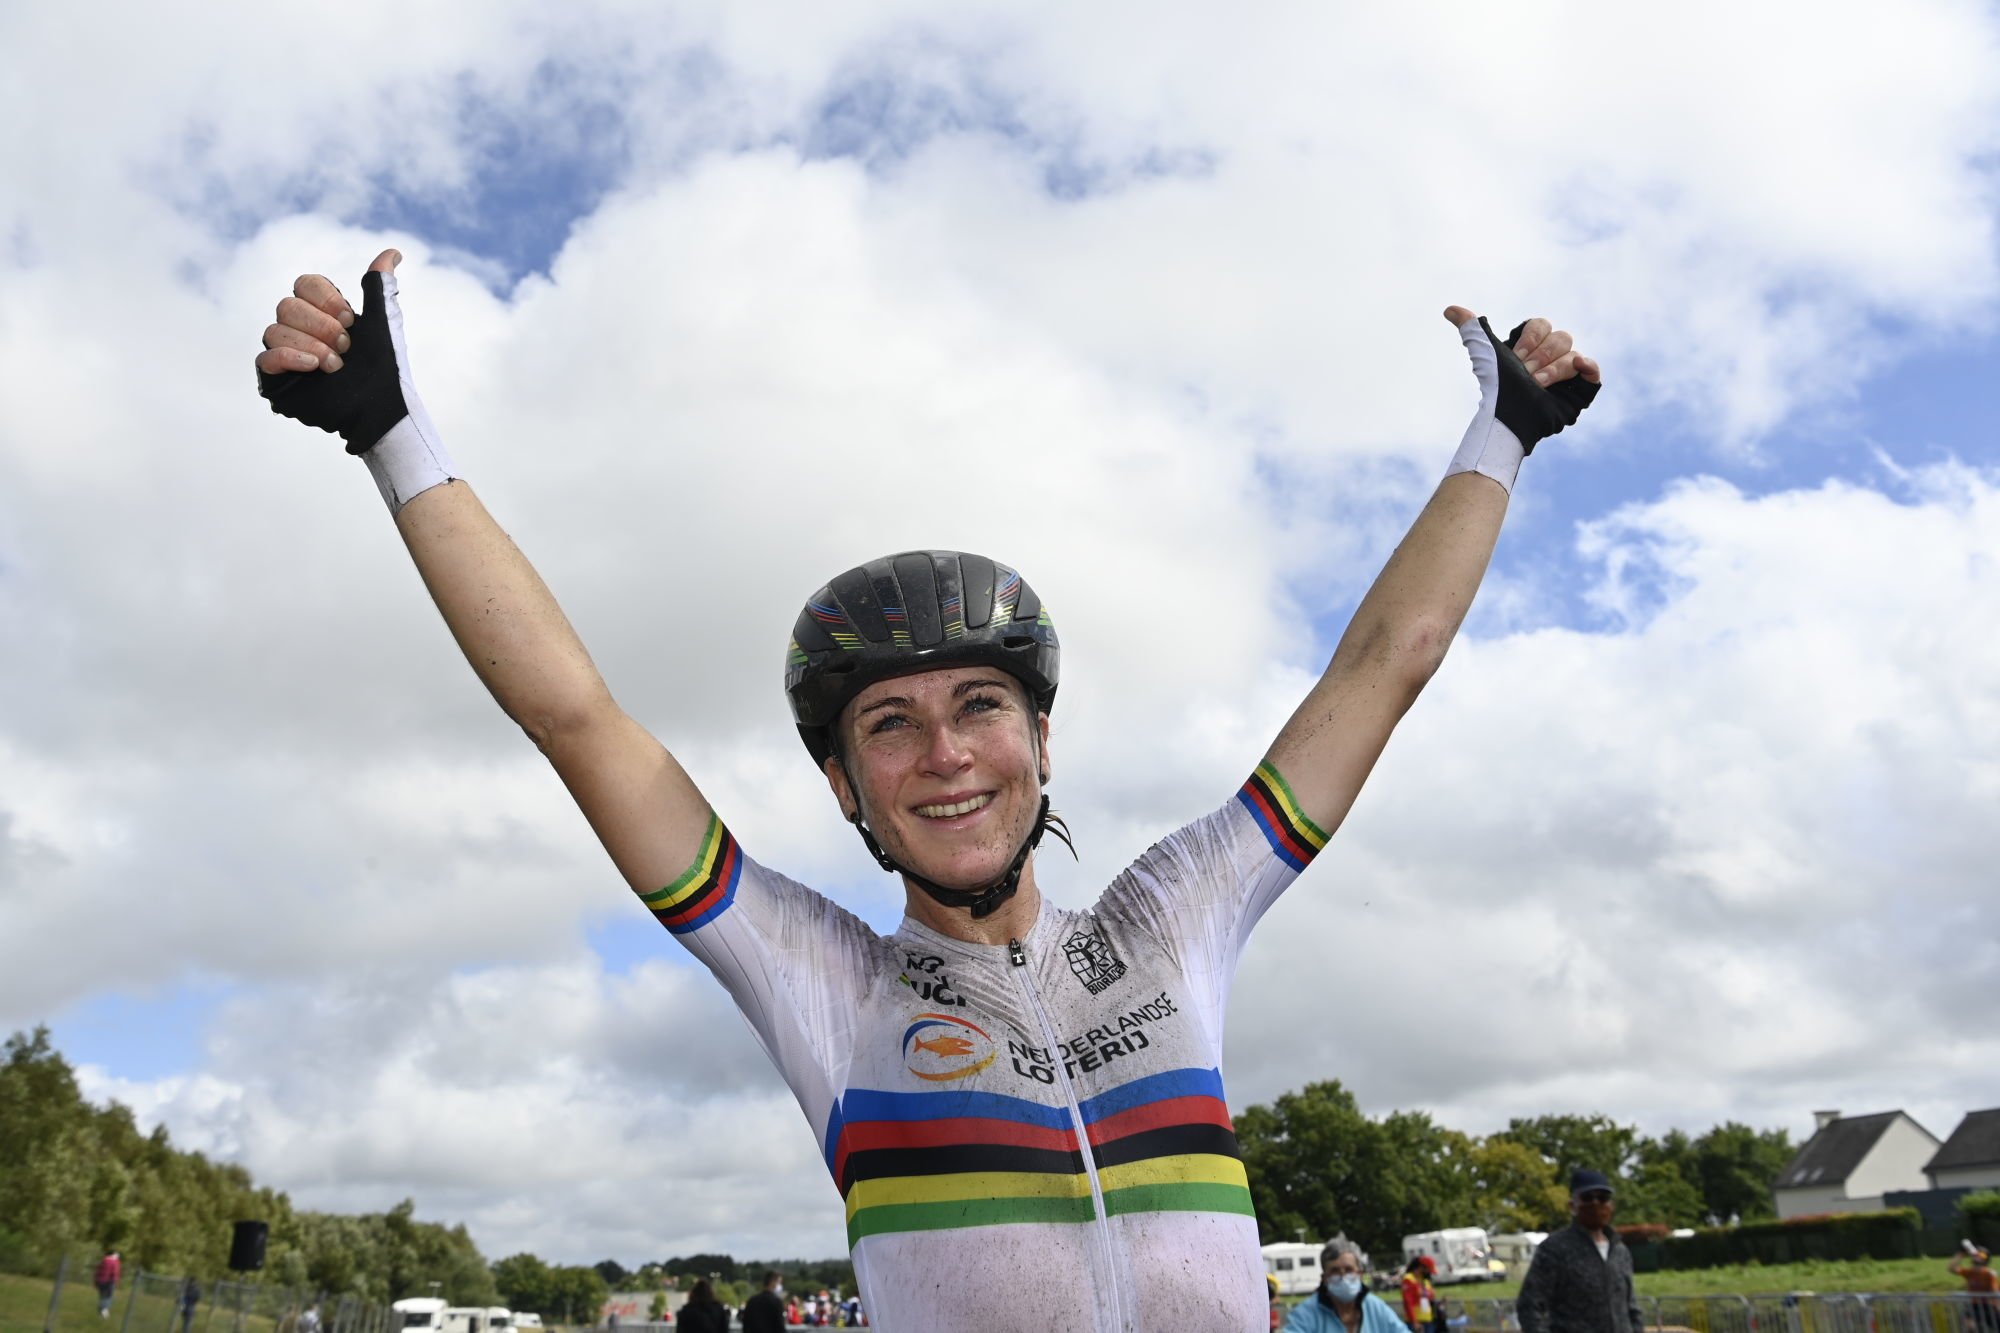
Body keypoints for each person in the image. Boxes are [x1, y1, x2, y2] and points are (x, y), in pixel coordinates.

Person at [254, 252, 1599, 1333]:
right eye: (889, 726)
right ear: (843, 783)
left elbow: (1382, 667)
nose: (945, 753)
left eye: (979, 707)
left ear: (1044, 740)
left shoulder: (1173, 923)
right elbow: (576, 717)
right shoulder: (826, 987)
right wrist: (393, 434)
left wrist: (1503, 434)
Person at [1516, 1169, 1643, 1333]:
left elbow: (1631, 1307)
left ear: (1611, 1205)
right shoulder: (1555, 1249)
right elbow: (1529, 1305)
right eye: (1587, 1198)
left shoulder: (1620, 1251)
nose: (1596, 1204)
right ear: (1572, 1206)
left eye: (1602, 1198)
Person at [1289, 1241, 1406, 1333]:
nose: (1343, 1277)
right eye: (1335, 1271)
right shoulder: (1304, 1314)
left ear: (1360, 1274)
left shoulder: (1376, 1308)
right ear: (1324, 1278)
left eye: (1349, 1270)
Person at [1952, 1245, 2000, 1333]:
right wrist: (1960, 1254)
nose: (1977, 1256)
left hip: (1989, 1306)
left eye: (1981, 1254)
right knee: (1969, 1326)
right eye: (1976, 1254)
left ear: (1986, 1259)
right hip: (1974, 1306)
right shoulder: (1970, 1272)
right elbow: (1951, 1268)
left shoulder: (1989, 1273)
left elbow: (1995, 1293)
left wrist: (1998, 1307)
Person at [1400, 1256, 1438, 1333]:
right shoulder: (1409, 1279)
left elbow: (1430, 1297)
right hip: (1417, 1322)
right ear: (1421, 1267)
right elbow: (1408, 1302)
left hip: (1428, 1320)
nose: (1429, 1273)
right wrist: (1414, 1322)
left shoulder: (1425, 1281)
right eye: (1428, 1270)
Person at [93, 1249, 121, 1318]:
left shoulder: (103, 1260)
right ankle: (104, 1310)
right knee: (108, 1297)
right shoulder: (114, 1262)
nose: (117, 1256)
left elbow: (97, 1271)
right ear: (113, 1254)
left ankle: (101, 1309)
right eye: (116, 1254)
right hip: (109, 1282)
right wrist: (115, 1281)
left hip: (100, 1281)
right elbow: (114, 1272)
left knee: (102, 1296)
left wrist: (95, 1281)